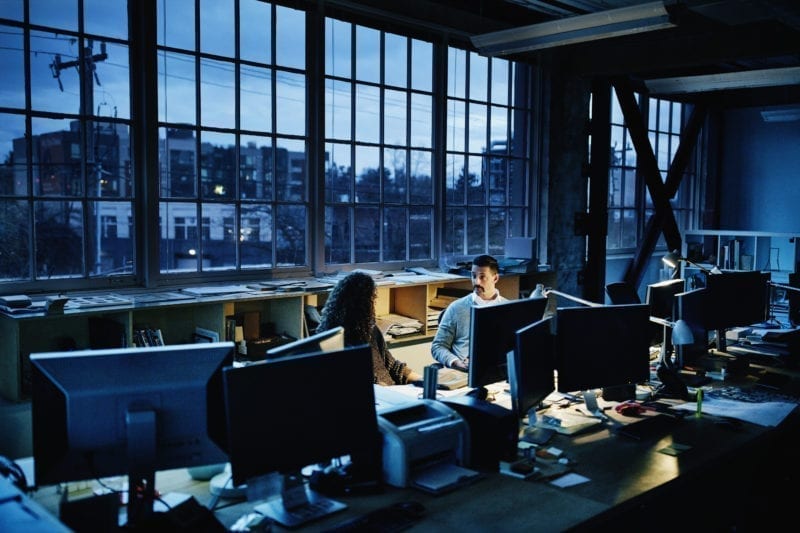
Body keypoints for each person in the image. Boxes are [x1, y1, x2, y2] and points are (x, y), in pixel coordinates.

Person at [317, 271, 422, 386]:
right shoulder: (336, 342)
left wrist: (423, 379)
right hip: (380, 397)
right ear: (361, 306)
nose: (373, 305)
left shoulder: (369, 329)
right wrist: (386, 389)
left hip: (393, 390)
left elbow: (393, 367)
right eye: (371, 300)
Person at [431, 254, 508, 370]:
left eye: (482, 277)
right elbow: (438, 347)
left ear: (495, 278)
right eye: (473, 276)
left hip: (498, 372)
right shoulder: (456, 308)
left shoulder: (508, 308)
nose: (476, 282)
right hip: (464, 372)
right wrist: (456, 362)